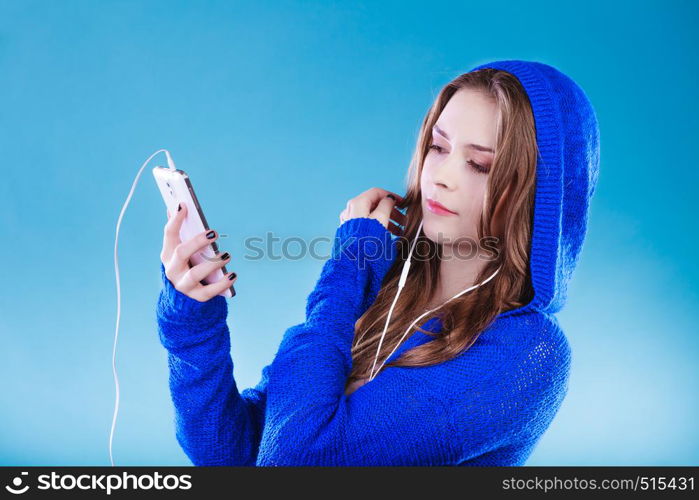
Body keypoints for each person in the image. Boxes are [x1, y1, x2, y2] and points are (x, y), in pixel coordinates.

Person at [156, 59, 600, 466]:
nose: (441, 177)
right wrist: (194, 323)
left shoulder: (526, 353)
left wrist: (348, 264)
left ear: (538, 196)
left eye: (480, 165)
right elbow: (229, 456)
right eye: (438, 147)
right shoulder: (384, 292)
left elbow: (297, 459)